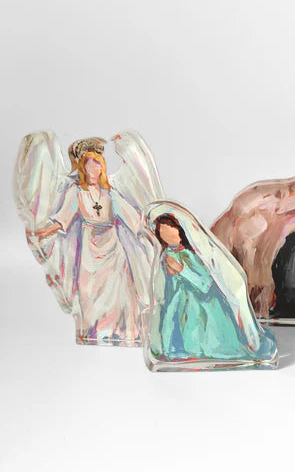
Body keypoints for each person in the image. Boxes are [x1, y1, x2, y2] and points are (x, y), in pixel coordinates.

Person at [32, 139, 146, 345]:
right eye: (88, 165)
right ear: (83, 169)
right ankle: (95, 331)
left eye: (97, 164)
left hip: (112, 247)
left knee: (120, 290)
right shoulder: (76, 192)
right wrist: (42, 232)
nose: (93, 169)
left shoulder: (110, 194)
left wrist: (150, 230)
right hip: (90, 249)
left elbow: (133, 218)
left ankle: (125, 331)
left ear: (102, 168)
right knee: (90, 291)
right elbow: (62, 218)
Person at [152, 213, 266, 360]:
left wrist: (182, 270)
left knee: (197, 333)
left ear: (180, 232)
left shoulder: (189, 255)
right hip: (175, 302)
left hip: (196, 304)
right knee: (172, 330)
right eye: (163, 233)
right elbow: (162, 284)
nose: (168, 236)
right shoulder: (165, 256)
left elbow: (205, 283)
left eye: (170, 231)